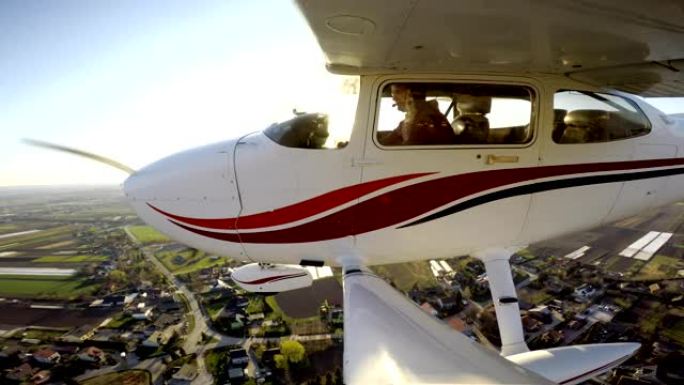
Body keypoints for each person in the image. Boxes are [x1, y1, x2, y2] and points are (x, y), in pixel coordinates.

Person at [378, 84, 455, 146]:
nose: (394, 99)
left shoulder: (428, 119)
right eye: (392, 94)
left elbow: (410, 150)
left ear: (411, 94)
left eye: (397, 92)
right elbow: (388, 140)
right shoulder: (408, 119)